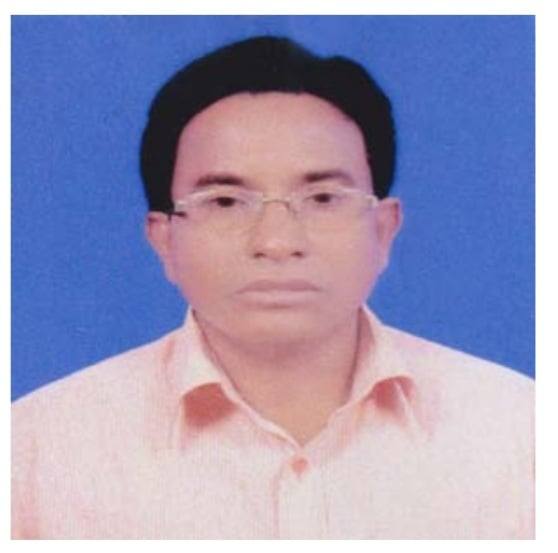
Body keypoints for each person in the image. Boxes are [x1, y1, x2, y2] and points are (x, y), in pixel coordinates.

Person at [11, 35, 534, 539]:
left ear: (383, 230)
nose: (277, 242)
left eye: (323, 198)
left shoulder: (521, 433)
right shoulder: (37, 450)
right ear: (164, 239)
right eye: (225, 202)